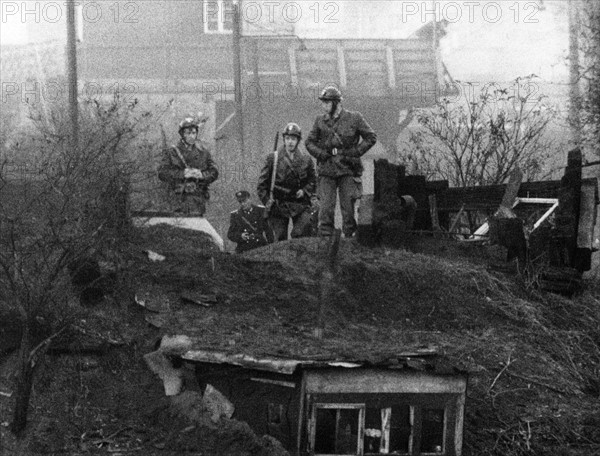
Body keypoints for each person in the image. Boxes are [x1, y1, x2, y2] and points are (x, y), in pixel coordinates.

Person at [305, 86, 377, 237]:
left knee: (348, 208)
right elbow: (309, 142)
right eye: (323, 102)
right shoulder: (320, 121)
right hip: (326, 170)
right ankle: (326, 238)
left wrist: (355, 153)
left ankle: (349, 238)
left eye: (327, 102)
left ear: (336, 103)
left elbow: (371, 137)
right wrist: (321, 154)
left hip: (348, 168)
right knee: (325, 208)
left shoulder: (354, 118)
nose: (323, 106)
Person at [257, 122, 317, 241]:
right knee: (279, 240)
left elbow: (313, 181)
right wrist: (268, 203)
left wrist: (305, 191)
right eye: (287, 138)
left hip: (300, 204)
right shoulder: (272, 159)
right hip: (279, 205)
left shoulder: (306, 159)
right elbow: (261, 185)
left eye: (293, 139)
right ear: (283, 139)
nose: (290, 142)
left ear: (298, 141)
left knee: (302, 235)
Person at [158, 116, 219, 216]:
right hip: (177, 200)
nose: (192, 136)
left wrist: (202, 175)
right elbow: (162, 173)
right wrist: (182, 174)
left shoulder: (203, 152)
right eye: (188, 133)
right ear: (182, 134)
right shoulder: (172, 152)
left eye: (194, 133)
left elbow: (214, 171)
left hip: (197, 199)